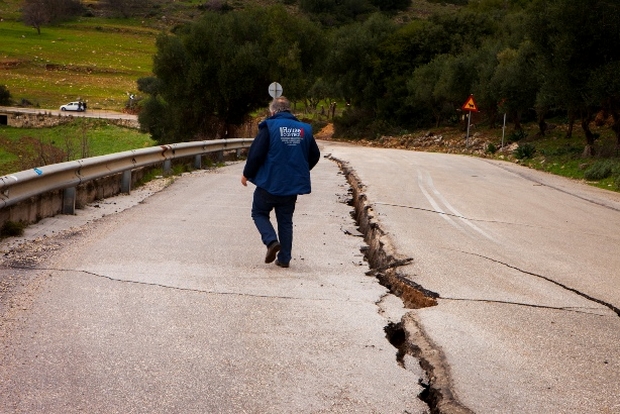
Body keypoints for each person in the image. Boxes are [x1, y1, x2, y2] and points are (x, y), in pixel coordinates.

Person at [241, 96, 320, 268]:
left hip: (269, 183)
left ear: (273, 111)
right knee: (285, 221)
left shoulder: (269, 126)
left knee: (259, 213)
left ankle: (270, 241)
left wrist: (247, 174)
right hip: (291, 186)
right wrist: (300, 171)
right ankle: (284, 259)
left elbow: (256, 154)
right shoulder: (304, 129)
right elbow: (315, 155)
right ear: (290, 110)